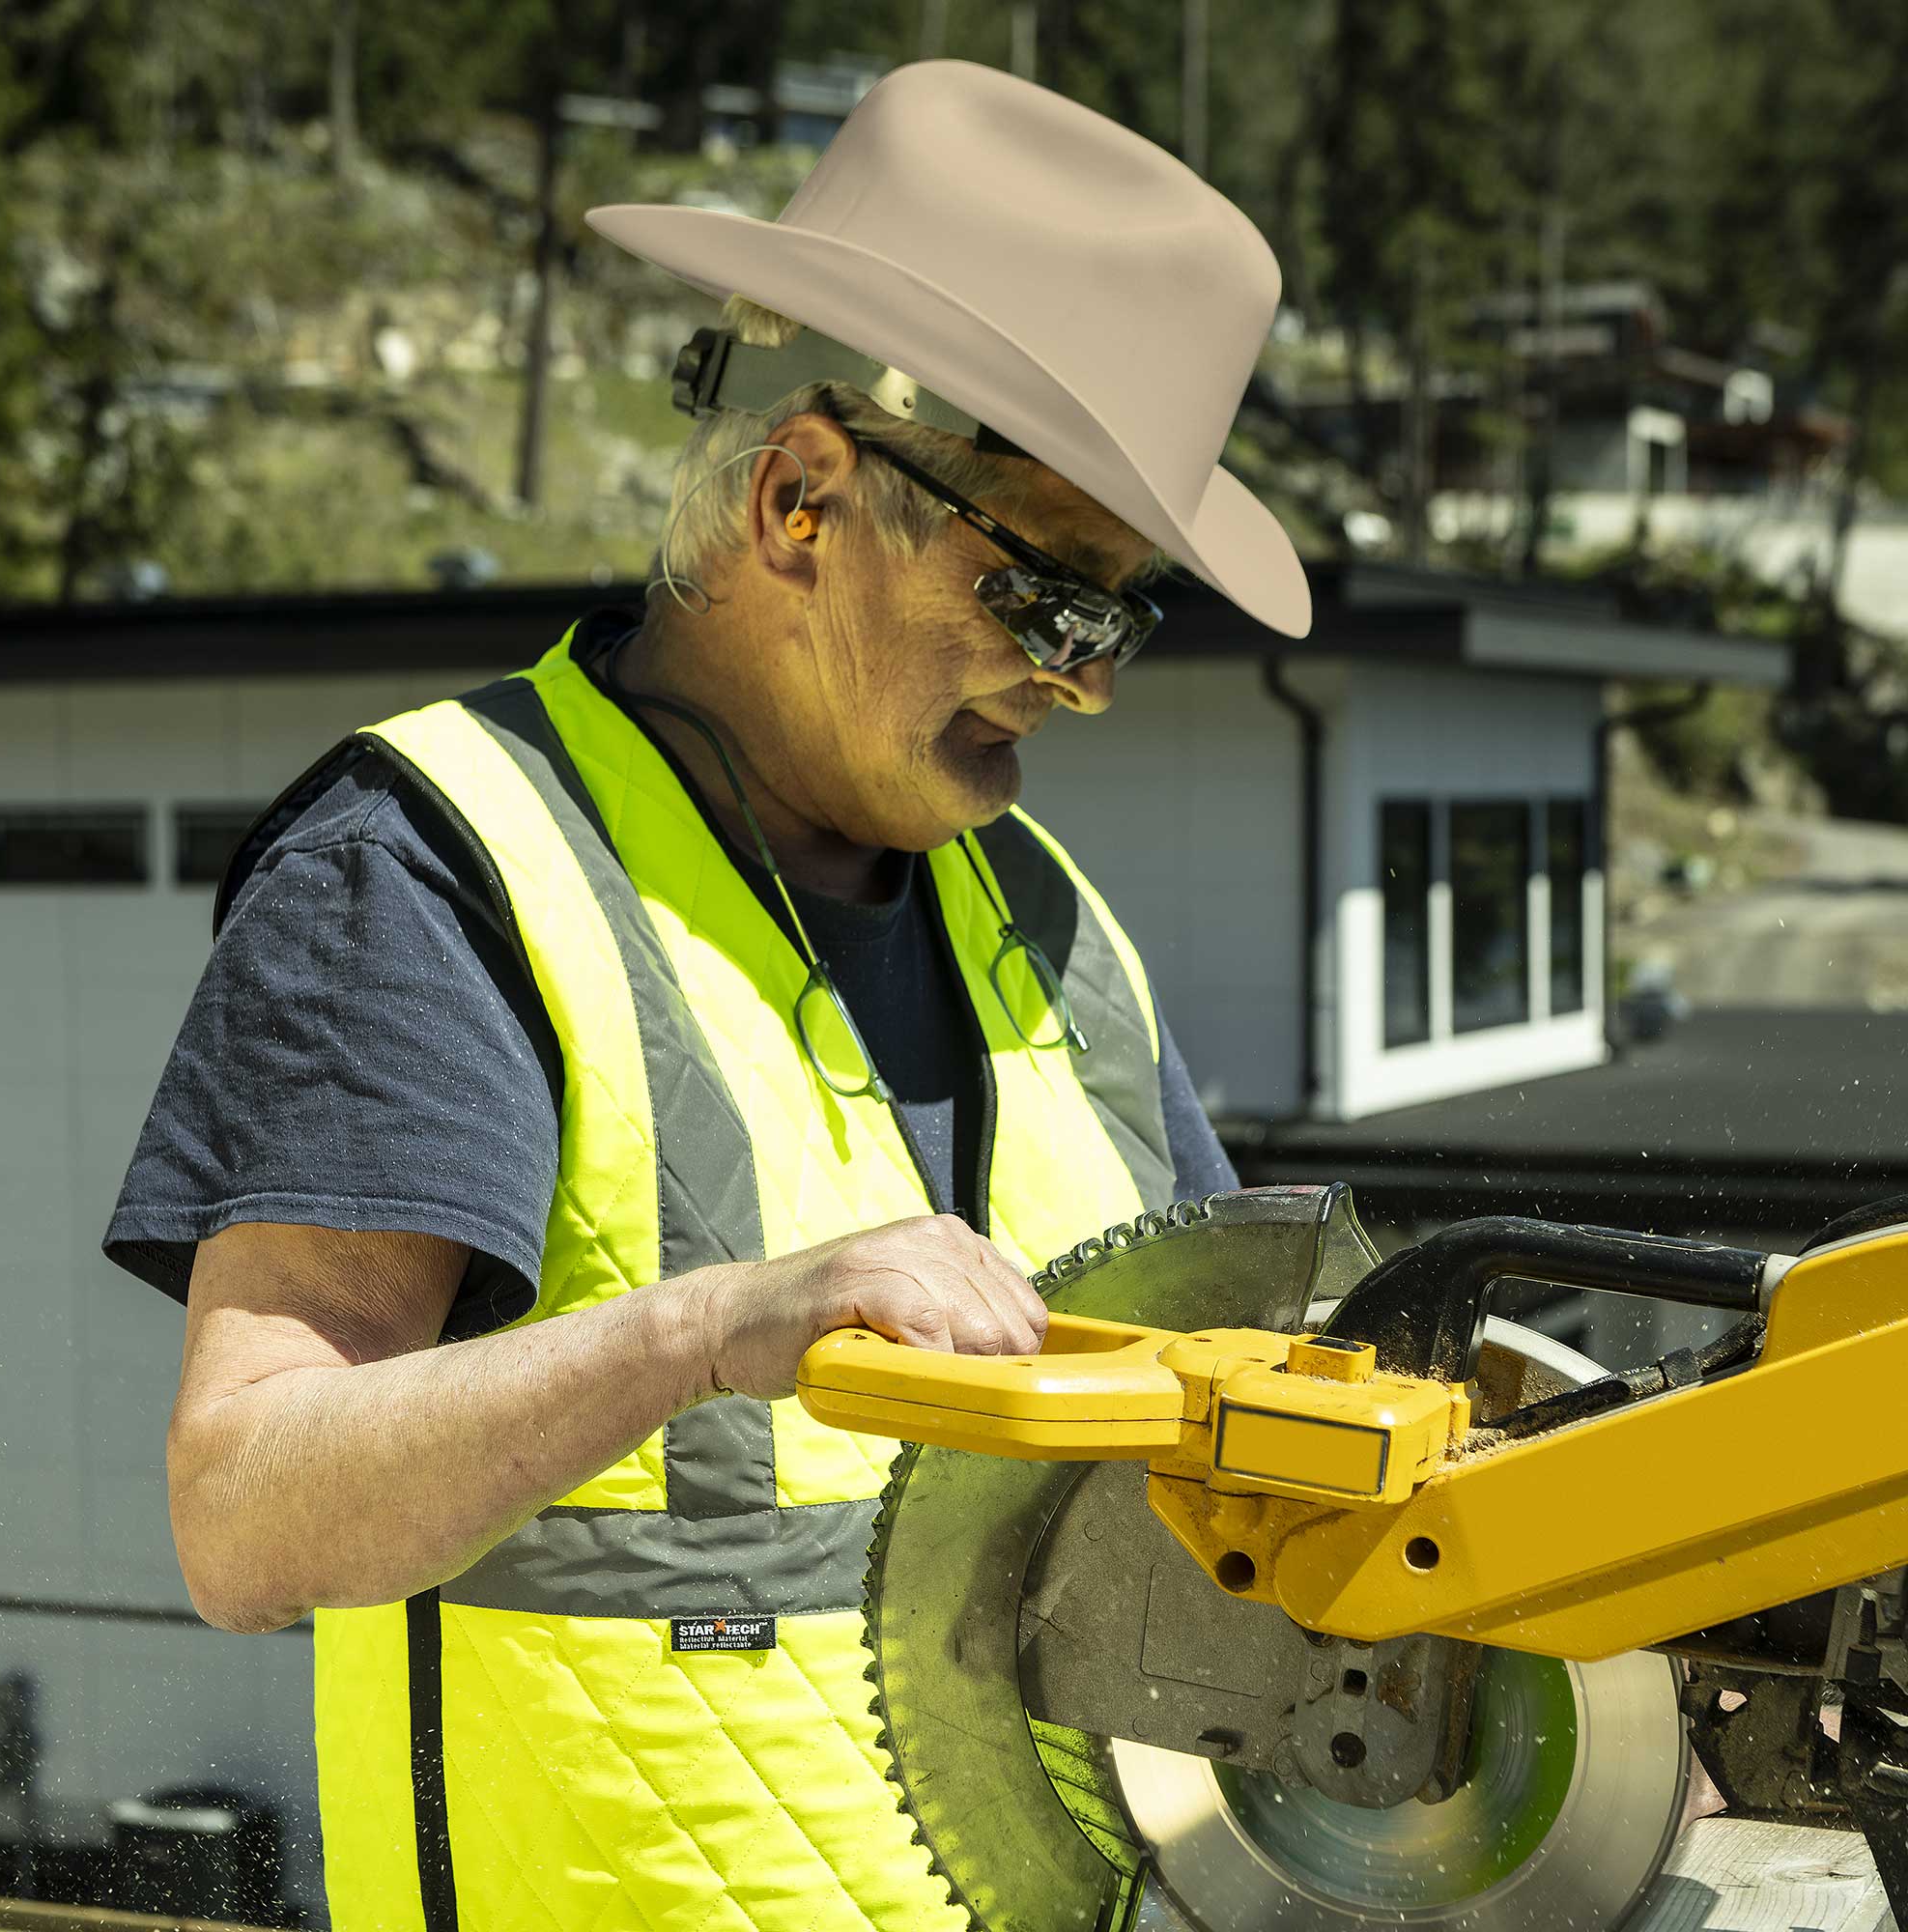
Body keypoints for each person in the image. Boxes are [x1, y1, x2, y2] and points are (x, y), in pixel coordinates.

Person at [104, 56, 1310, 1932]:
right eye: (1047, 598)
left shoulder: (1053, 927)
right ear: (802, 500)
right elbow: (247, 1516)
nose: (1083, 681)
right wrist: (714, 1327)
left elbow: (1246, 1456)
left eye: (1122, 618)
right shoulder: (436, 864)